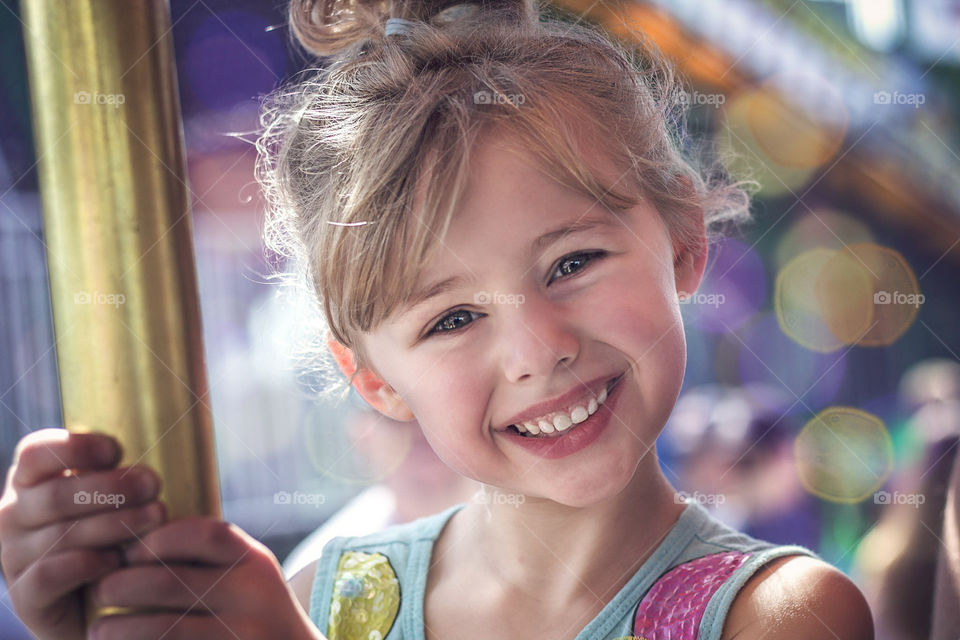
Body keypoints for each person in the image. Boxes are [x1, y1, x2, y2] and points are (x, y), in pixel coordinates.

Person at [0, 0, 873, 638]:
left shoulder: (783, 615)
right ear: (374, 380)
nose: (540, 351)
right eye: (453, 318)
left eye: (572, 263)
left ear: (683, 238)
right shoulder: (327, 597)